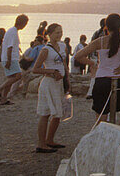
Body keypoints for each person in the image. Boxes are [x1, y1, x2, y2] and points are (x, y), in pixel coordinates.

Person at [75, 13, 120, 124]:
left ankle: (100, 137)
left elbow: (78, 56)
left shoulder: (100, 41)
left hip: (102, 80)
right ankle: (119, 130)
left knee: (102, 116)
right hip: (119, 79)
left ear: (106, 26)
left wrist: (93, 64)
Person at [31, 23, 70, 153]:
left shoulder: (62, 46)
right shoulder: (45, 50)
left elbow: (64, 63)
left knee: (58, 113)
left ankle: (50, 139)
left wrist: (67, 79)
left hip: (59, 83)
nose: (59, 35)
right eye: (57, 33)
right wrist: (51, 71)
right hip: (49, 84)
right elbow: (35, 69)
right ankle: (41, 143)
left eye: (61, 32)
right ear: (49, 34)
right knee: (45, 113)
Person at [0, 14, 28, 105]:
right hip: (11, 58)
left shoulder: (11, 31)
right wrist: (9, 60)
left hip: (8, 58)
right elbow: (10, 47)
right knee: (18, 76)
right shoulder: (13, 32)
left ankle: (3, 99)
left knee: (11, 78)